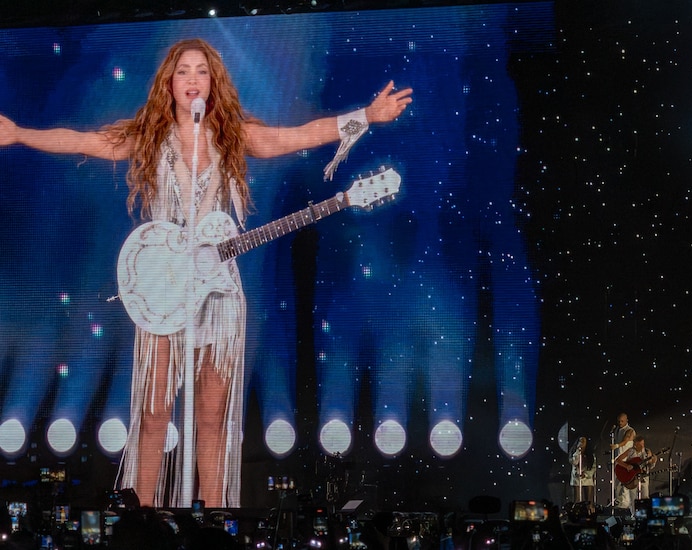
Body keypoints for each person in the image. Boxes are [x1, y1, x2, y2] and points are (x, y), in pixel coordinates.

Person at [0, 38, 412, 508]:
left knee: (211, 417)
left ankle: (213, 517)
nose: (192, 79)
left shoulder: (235, 135)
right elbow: (84, 142)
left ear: (213, 82)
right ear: (168, 84)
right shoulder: (147, 138)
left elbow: (300, 134)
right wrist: (18, 133)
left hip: (217, 292)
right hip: (164, 288)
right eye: (183, 71)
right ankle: (144, 514)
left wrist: (365, 117)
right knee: (155, 411)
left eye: (201, 71)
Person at [614, 435, 656, 513]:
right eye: (640, 444)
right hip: (632, 477)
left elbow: (650, 466)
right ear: (635, 444)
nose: (642, 446)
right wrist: (626, 466)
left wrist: (653, 461)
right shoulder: (630, 451)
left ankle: (644, 515)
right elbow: (618, 460)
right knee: (633, 497)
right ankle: (634, 515)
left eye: (643, 444)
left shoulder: (647, 452)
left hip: (643, 476)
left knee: (645, 497)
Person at [608, 412, 636, 507]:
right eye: (619, 421)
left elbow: (625, 440)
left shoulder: (630, 430)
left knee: (625, 483)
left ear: (627, 420)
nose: (620, 423)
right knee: (617, 484)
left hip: (626, 460)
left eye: (622, 421)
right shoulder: (616, 430)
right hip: (618, 460)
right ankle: (619, 503)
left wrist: (617, 445)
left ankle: (626, 505)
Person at [569, 436, 596, 503]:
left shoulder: (591, 455)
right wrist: (578, 452)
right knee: (577, 499)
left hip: (587, 478)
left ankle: (588, 511)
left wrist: (586, 474)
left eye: (583, 441)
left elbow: (593, 467)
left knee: (588, 500)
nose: (581, 443)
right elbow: (574, 462)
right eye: (580, 441)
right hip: (577, 477)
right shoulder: (574, 453)